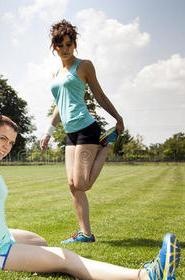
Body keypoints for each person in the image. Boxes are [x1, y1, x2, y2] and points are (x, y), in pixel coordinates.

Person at [0, 88, 181, 280]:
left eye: (11, 142)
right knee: (65, 258)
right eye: (2, 138)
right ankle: (147, 276)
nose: (6, 146)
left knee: (38, 241)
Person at [40, 20, 124, 243]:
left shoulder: (84, 66)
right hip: (71, 133)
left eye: (69, 44)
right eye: (61, 45)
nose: (65, 49)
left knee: (83, 184)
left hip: (87, 128)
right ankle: (85, 234)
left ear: (74, 44)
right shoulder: (56, 73)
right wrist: (48, 132)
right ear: (54, 47)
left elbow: (99, 95)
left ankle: (107, 143)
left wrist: (117, 117)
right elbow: (60, 104)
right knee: (72, 185)